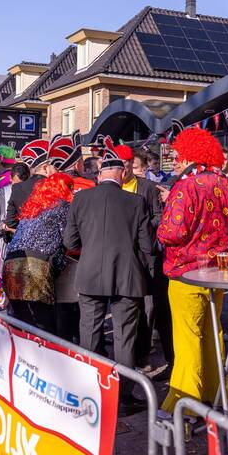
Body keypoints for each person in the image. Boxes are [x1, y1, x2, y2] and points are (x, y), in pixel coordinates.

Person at [63, 144, 156, 415]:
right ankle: (122, 397)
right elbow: (147, 245)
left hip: (90, 274)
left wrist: (91, 247)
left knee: (89, 333)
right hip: (126, 275)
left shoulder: (81, 199)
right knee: (124, 337)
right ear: (121, 174)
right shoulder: (135, 202)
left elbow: (70, 242)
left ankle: (88, 390)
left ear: (100, 174)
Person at [157, 127, 228, 414]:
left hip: (186, 272)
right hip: (217, 273)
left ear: (188, 156)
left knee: (188, 338)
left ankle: (184, 404)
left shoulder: (186, 186)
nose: (176, 161)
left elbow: (171, 232)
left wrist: (161, 222)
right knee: (213, 334)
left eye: (178, 155)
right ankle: (216, 393)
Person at [1, 172, 74, 333]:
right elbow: (69, 239)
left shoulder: (33, 206)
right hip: (36, 266)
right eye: (70, 187)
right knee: (44, 326)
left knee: (20, 323)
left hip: (11, 263)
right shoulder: (63, 206)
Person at [115, 143, 167, 367]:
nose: (124, 170)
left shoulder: (147, 188)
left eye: (129, 165)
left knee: (148, 307)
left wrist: (141, 228)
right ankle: (127, 353)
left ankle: (143, 352)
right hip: (120, 256)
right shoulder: (111, 188)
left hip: (145, 255)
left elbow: (159, 216)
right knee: (126, 307)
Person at [6, 139, 53, 230]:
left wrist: (26, 230)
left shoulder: (17, 188)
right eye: (54, 166)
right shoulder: (55, 186)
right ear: (45, 168)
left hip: (25, 236)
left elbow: (10, 222)